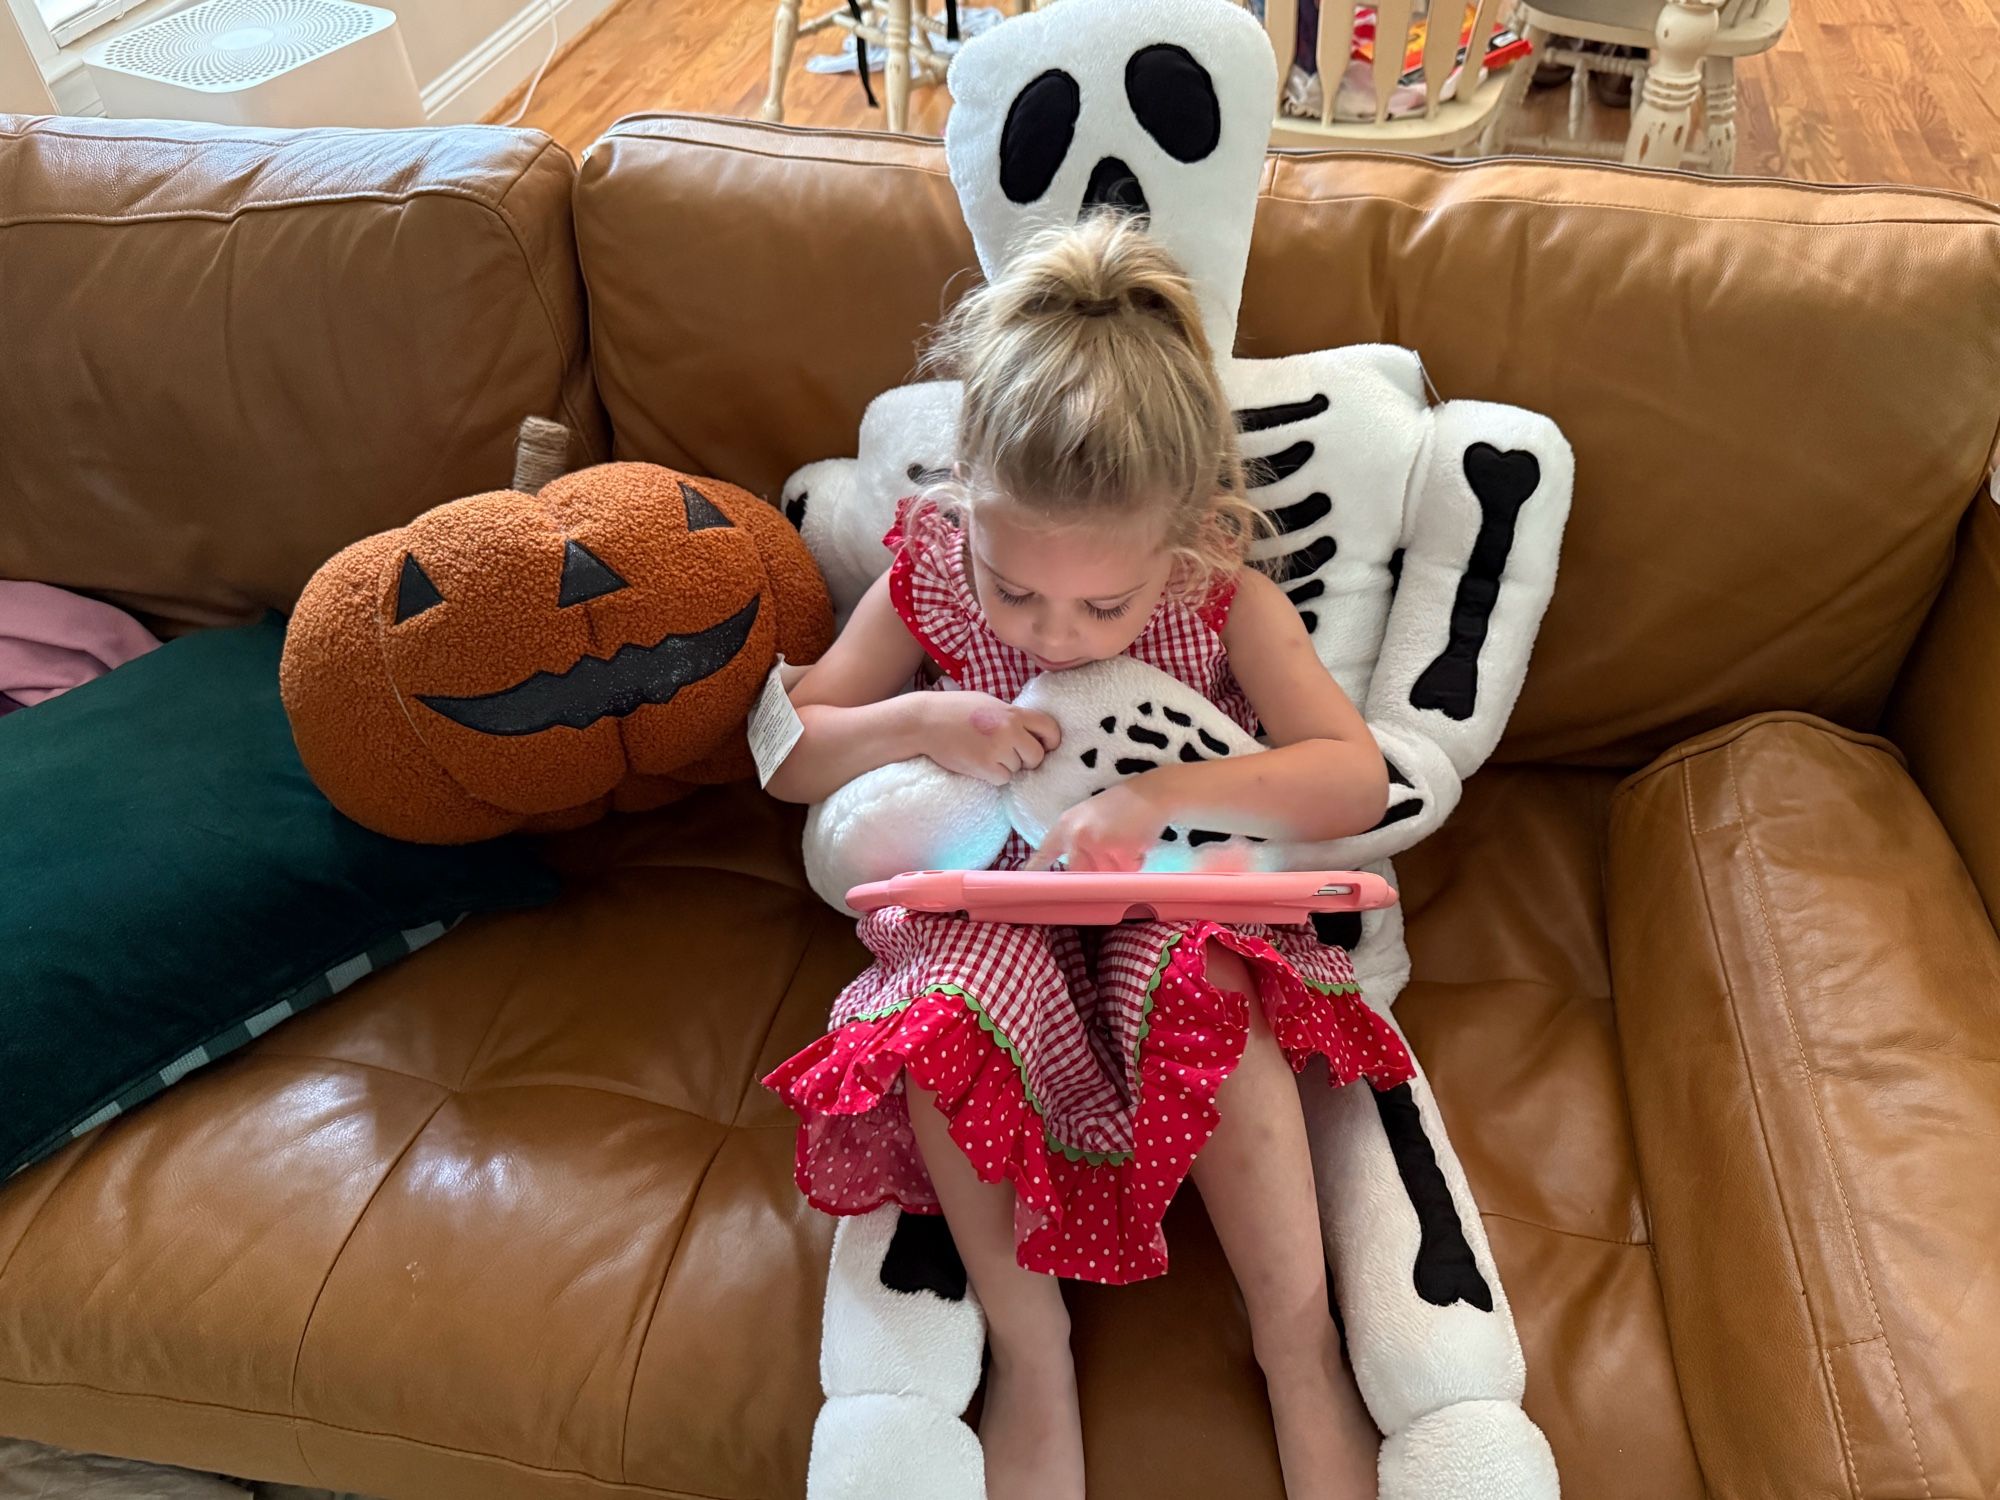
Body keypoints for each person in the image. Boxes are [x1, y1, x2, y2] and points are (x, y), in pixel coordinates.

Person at [763, 211, 1411, 1500]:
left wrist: (1164, 793)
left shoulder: (1223, 594)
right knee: (942, 1019)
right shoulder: (932, 573)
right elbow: (790, 749)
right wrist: (921, 718)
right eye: (1016, 593)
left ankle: (1299, 1352)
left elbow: (1351, 776)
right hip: (988, 905)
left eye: (1103, 608)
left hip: (1168, 899)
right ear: (963, 506)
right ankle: (1034, 1353)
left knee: (1208, 990)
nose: (1054, 634)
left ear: (1189, 534)